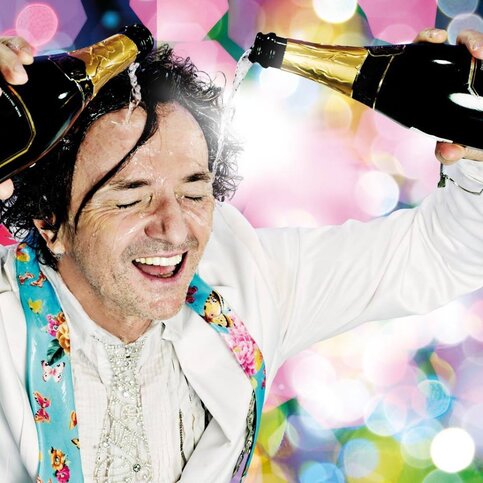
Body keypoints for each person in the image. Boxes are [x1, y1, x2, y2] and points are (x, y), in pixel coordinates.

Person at [0, 27, 482, 483]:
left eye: (194, 194)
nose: (175, 229)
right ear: (49, 221)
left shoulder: (246, 276)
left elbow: (444, 251)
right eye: (131, 199)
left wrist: (477, 158)